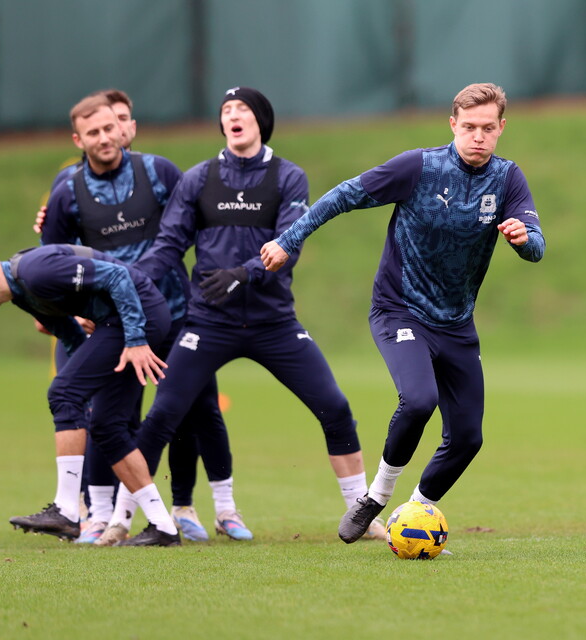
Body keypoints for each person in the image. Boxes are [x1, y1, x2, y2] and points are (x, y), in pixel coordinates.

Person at [260, 82, 546, 543]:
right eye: (469, 127)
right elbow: (346, 195)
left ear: (501, 128)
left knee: (469, 438)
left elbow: (537, 247)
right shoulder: (418, 167)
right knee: (418, 400)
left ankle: (415, 513)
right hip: (400, 309)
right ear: (452, 124)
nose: (478, 137)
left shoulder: (508, 179)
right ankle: (374, 497)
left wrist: (522, 238)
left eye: (488, 128)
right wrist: (288, 240)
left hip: (455, 322)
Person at [133, 86, 386, 540]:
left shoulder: (289, 177)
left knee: (335, 407)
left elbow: (290, 242)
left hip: (274, 323)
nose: (233, 115)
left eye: (243, 109)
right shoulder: (198, 178)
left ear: (261, 122)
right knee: (164, 412)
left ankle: (360, 514)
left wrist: (245, 274)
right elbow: (168, 245)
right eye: (226, 110)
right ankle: (132, 520)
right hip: (209, 323)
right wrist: (127, 284)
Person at [40, 92, 229, 545]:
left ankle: (185, 508)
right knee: (108, 417)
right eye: (94, 132)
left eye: (111, 127)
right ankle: (99, 516)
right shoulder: (66, 189)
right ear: (78, 139)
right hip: (111, 327)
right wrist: (72, 311)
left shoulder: (159, 171)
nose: (106, 137)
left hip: (176, 314)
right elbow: (53, 258)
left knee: (189, 411)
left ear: (123, 128)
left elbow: (195, 224)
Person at [0, 244, 182, 546]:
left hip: (136, 316)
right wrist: (87, 374)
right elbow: (69, 334)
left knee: (63, 393)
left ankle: (67, 511)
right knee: (107, 427)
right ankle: (163, 528)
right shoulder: (21, 291)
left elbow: (118, 276)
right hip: (123, 321)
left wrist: (135, 338)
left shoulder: (35, 271)